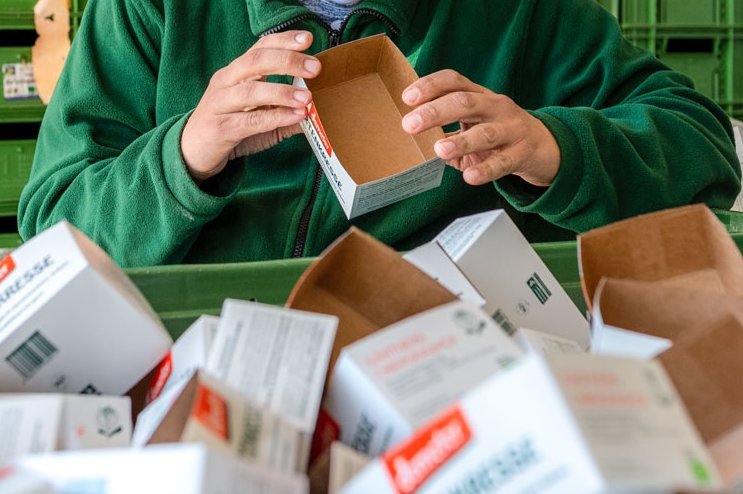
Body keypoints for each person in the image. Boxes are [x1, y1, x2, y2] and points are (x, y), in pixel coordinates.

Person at [18, 0, 741, 267]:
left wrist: (554, 149)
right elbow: (50, 230)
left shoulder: (529, 15)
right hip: (202, 342)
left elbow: (703, 151)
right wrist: (181, 158)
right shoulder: (148, 13)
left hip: (451, 358)